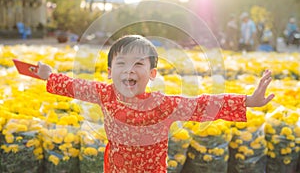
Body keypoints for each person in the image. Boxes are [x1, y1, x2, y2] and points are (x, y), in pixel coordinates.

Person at [35, 35, 274, 173]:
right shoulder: (104, 93)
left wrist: (249, 101)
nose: (129, 69)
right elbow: (74, 86)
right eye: (121, 64)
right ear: (109, 72)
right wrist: (49, 75)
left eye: (138, 64)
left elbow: (203, 104)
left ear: (152, 74)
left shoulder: (163, 105)